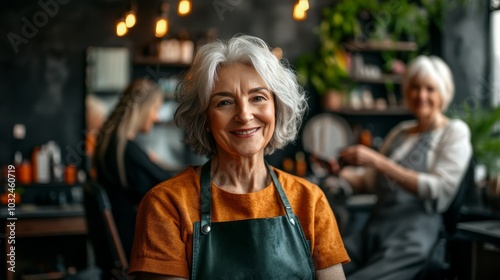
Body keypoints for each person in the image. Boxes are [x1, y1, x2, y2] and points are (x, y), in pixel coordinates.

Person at [128, 35, 350, 279]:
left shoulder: (310, 201)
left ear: (277, 107)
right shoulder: (167, 205)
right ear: (205, 120)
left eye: (258, 98)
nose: (244, 115)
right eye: (224, 102)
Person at [317, 55, 472, 280]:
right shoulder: (400, 132)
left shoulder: (454, 132)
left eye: (430, 89)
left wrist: (378, 161)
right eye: (415, 88)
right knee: (317, 269)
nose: (422, 95)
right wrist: (341, 173)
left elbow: (438, 188)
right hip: (373, 232)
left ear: (444, 93)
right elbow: (370, 181)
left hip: (411, 240)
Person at [93, 78, 174, 259]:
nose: (156, 117)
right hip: (134, 248)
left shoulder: (110, 144)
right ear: (142, 109)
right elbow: (166, 188)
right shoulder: (126, 151)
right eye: (155, 109)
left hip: (114, 248)